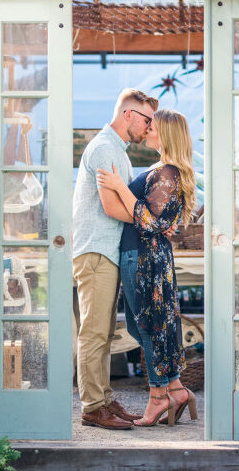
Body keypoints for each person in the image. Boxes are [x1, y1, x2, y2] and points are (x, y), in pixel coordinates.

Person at [96, 109, 199, 427]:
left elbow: (152, 222)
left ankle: (158, 399)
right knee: (149, 327)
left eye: (153, 126)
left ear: (166, 134)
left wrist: (118, 185)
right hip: (145, 255)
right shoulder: (164, 170)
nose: (147, 128)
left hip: (144, 257)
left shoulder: (167, 172)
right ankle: (176, 390)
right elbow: (159, 220)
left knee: (148, 328)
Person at [72, 88, 158, 430]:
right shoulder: (106, 148)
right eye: (147, 119)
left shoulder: (115, 150)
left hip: (104, 251)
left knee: (103, 331)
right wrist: (151, 220)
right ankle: (93, 406)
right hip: (96, 251)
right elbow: (111, 207)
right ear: (128, 115)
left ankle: (104, 399)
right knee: (94, 333)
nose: (149, 127)